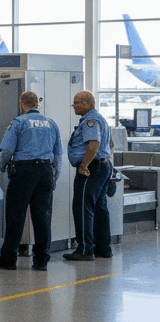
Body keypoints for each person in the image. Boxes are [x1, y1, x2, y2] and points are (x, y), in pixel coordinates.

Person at [0, 92, 64, 272]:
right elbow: (58, 154)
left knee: (15, 216)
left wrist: (0, 168)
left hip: (24, 172)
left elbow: (7, 150)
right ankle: (41, 261)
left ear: (22, 104)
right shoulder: (51, 124)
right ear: (37, 104)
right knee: (43, 217)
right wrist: (54, 176)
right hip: (45, 171)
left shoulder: (19, 122)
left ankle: (9, 260)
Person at [64, 91, 113, 262]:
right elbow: (110, 145)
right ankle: (103, 248)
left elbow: (94, 144)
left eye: (76, 102)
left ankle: (85, 249)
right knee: (99, 208)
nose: (73, 106)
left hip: (92, 168)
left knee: (83, 208)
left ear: (86, 103)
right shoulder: (100, 119)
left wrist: (84, 165)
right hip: (103, 165)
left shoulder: (90, 121)